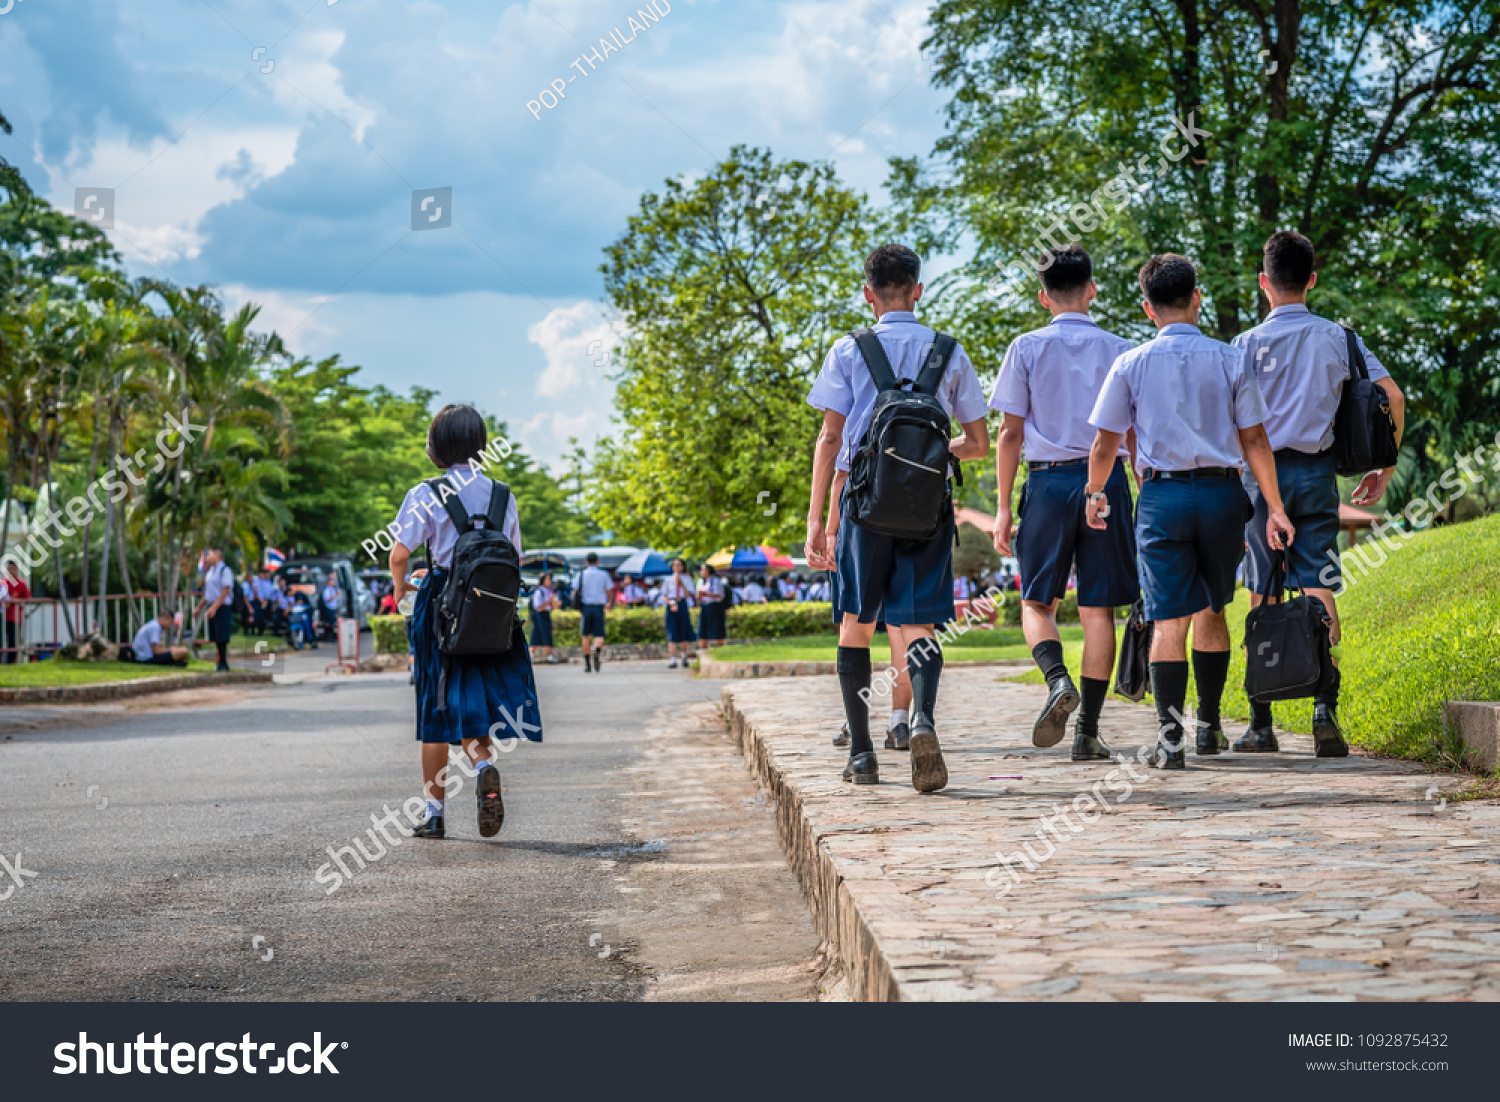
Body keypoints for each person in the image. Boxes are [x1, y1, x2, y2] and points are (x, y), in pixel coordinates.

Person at [1086, 253, 1293, 769]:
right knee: (1214, 607)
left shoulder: (1130, 363)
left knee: (1167, 619)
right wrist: (1275, 508)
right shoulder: (1229, 359)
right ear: (1196, 298)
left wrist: (1095, 494)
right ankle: (1211, 726)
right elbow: (1255, 439)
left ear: (1147, 308)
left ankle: (1171, 739)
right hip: (1224, 495)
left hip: (1162, 498)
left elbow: (1105, 445)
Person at [806, 243, 990, 791]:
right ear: (918, 290)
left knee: (856, 624)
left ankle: (862, 755)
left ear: (869, 294)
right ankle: (922, 720)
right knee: (919, 625)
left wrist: (818, 518)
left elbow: (831, 436)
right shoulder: (949, 352)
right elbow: (979, 442)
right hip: (927, 511)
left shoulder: (848, 349)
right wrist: (929, 457)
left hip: (862, 508)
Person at [1231, 230, 1405, 756]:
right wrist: (1384, 466)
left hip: (1260, 481)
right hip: (1316, 474)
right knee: (1318, 581)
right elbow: (1391, 395)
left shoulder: (1242, 346)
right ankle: (1324, 707)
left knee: (1262, 587)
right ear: (1311, 279)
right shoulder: (1339, 338)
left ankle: (1260, 722)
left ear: (1264, 283)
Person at [990, 243, 1142, 760]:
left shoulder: (1026, 347)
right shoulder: (1122, 350)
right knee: (1099, 610)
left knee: (1037, 602)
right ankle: (1088, 733)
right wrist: (1140, 486)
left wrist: (1003, 507)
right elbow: (1134, 434)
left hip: (1049, 483)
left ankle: (1057, 681)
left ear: (1043, 297)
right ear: (1093, 291)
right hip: (1108, 483)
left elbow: (1009, 434)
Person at [389, 403, 541, 840]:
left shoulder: (426, 493)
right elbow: (513, 556)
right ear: (480, 444)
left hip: (439, 611)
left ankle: (433, 813)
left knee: (435, 709)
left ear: (438, 444)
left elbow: (399, 554)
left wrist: (403, 588)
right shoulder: (502, 494)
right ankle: (484, 766)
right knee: (474, 705)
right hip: (488, 613)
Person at [193, 547, 234, 672]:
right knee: (215, 635)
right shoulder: (210, 571)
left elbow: (225, 591)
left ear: (217, 555)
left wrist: (214, 608)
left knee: (222, 635)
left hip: (222, 606)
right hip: (212, 605)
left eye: (208, 555)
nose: (206, 557)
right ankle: (220, 662)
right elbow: (208, 593)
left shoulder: (224, 570)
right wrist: (199, 607)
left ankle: (223, 662)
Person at [576, 552, 614, 673]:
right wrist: (609, 603)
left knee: (585, 636)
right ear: (598, 562)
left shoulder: (581, 574)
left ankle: (587, 664)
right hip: (599, 607)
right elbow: (609, 592)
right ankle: (597, 652)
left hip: (586, 607)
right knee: (599, 635)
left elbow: (575, 590)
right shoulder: (603, 574)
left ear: (586, 562)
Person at [660, 557, 697, 667]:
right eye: (675, 565)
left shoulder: (687, 579)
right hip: (671, 604)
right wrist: (670, 603)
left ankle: (684, 657)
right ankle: (673, 659)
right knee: (672, 632)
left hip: (682, 603)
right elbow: (664, 595)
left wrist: (681, 584)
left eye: (679, 565)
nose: (677, 567)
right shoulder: (667, 580)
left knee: (683, 631)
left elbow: (688, 595)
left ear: (683, 567)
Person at [529, 571, 561, 664]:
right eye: (547, 579)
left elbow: (551, 606)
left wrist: (555, 604)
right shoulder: (539, 592)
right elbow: (538, 608)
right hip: (540, 616)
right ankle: (549, 656)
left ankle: (546, 656)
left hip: (546, 615)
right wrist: (549, 601)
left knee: (539, 637)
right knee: (543, 635)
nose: (549, 581)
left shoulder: (548, 591)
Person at [697, 563, 729, 649]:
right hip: (704, 606)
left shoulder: (716, 581)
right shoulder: (701, 581)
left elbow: (720, 595)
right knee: (703, 630)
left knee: (717, 629)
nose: (702, 572)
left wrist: (706, 593)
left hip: (715, 607)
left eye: (704, 569)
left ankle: (720, 649)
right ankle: (703, 650)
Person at [3, 560, 29, 664]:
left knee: (13, 642)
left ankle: (11, 663)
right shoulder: (3, 583)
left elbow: (28, 599)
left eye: (12, 568)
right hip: (2, 618)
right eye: (8, 568)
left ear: (17, 570)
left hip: (15, 618)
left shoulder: (22, 584)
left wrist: (15, 600)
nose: (10, 571)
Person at [320, 575, 342, 641]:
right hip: (329, 608)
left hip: (333, 608)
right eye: (332, 581)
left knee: (332, 623)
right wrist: (335, 595)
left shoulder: (332, 589)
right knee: (329, 624)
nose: (333, 582)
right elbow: (327, 599)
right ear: (328, 582)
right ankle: (329, 637)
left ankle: (332, 636)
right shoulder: (327, 590)